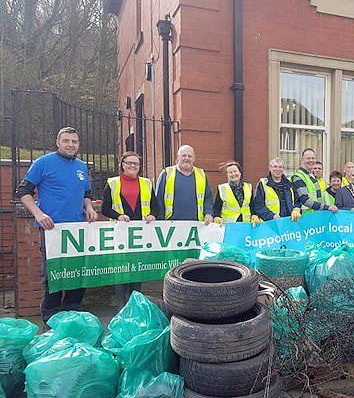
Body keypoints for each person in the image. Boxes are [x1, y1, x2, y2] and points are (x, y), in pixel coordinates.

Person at [15, 127, 99, 322]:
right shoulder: (43, 163)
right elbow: (23, 192)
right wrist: (39, 213)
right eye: (66, 141)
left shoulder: (81, 166)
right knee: (53, 275)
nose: (70, 145)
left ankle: (72, 314)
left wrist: (90, 208)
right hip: (52, 230)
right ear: (58, 142)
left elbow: (86, 194)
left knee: (78, 273)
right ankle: (50, 319)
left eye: (74, 142)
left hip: (77, 229)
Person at [101, 151, 159, 308]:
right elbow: (105, 208)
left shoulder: (147, 183)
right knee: (121, 270)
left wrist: (152, 215)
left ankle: (135, 305)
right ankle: (121, 306)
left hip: (140, 234)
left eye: (136, 163)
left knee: (137, 269)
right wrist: (118, 215)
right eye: (129, 163)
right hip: (119, 234)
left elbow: (155, 206)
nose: (133, 166)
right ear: (122, 164)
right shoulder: (113, 183)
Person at [156, 145, 214, 223]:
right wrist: (160, 221)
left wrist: (208, 213)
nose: (187, 158)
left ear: (194, 158)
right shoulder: (166, 173)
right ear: (178, 157)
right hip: (171, 224)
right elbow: (158, 199)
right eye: (183, 155)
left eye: (189, 156)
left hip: (196, 224)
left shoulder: (201, 174)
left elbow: (208, 198)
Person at [291, 148, 338, 214]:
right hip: (306, 217)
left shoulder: (312, 176)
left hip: (316, 216)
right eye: (308, 158)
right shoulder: (298, 177)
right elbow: (304, 200)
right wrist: (326, 207)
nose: (311, 160)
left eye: (313, 158)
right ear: (302, 160)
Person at [253, 157, 301, 221]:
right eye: (275, 166)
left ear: (283, 169)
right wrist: (271, 216)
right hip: (271, 223)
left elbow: (297, 200)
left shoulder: (289, 183)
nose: (278, 169)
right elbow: (259, 206)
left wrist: (296, 209)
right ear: (270, 168)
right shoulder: (263, 184)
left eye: (280, 167)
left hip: (289, 221)